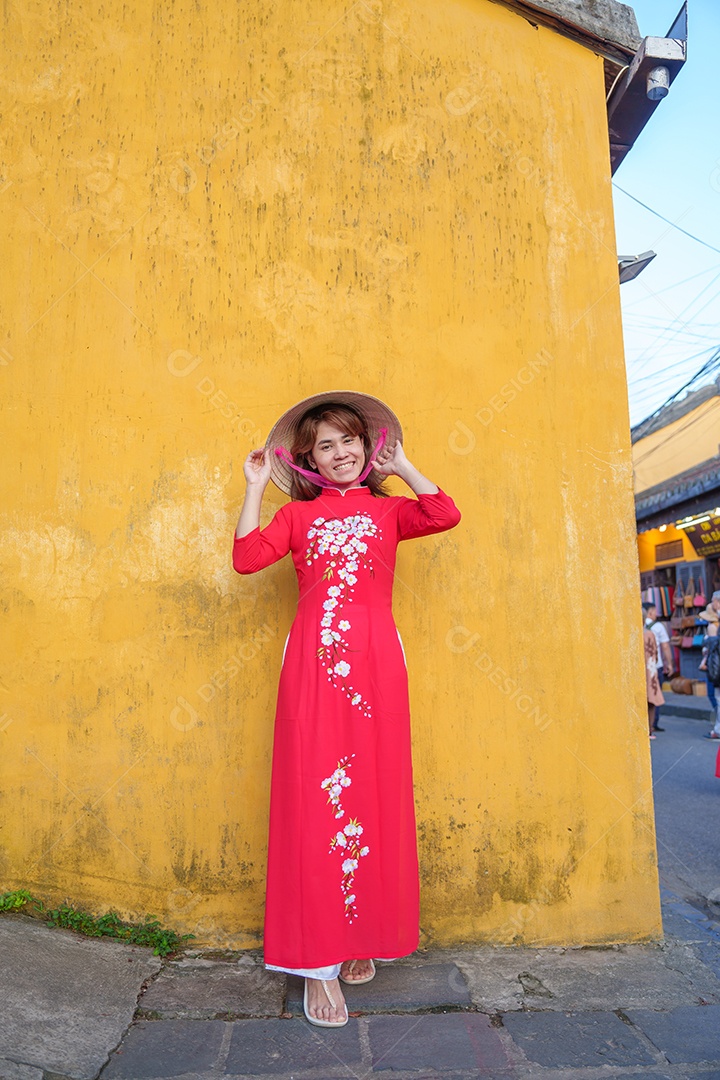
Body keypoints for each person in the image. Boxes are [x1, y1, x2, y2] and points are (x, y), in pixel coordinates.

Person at [232, 391, 461, 1028]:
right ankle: (316, 968)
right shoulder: (297, 520)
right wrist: (254, 489)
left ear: (367, 447)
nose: (339, 455)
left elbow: (444, 513)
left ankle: (360, 938)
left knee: (373, 797)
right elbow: (247, 559)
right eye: (324, 446)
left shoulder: (389, 511)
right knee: (314, 800)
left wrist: (406, 463)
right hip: (311, 667)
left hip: (379, 668)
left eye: (348, 441)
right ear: (308, 460)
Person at [643, 602, 674, 732]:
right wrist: (670, 663)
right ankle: (652, 725)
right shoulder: (657, 627)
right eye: (655, 611)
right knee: (654, 695)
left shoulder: (637, 627)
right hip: (655, 666)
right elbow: (665, 646)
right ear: (650, 612)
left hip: (642, 667)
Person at [699, 593, 720, 740]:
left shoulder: (713, 627)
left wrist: (705, 662)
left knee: (716, 697)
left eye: (713, 601)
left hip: (716, 667)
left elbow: (713, 652)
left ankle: (718, 729)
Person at [644, 613, 664, 740]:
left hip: (643, 670)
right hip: (649, 670)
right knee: (651, 699)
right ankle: (649, 729)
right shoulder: (648, 634)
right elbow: (654, 653)